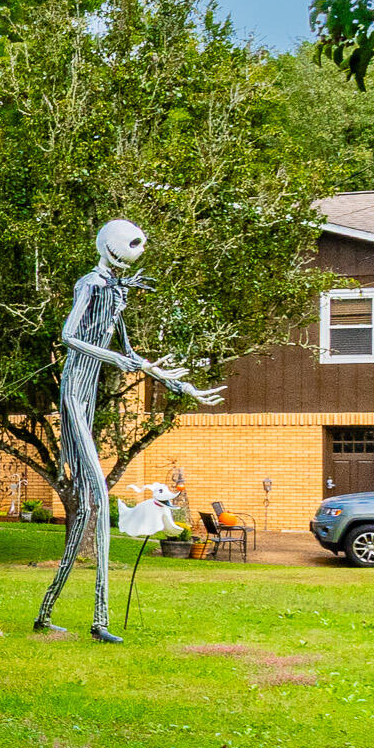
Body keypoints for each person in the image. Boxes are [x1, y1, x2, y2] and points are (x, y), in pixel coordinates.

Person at [35, 219, 222, 641]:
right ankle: (99, 621)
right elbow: (68, 335)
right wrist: (113, 359)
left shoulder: (117, 291)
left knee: (86, 509)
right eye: (131, 243)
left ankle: (45, 613)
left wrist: (180, 384)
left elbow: (131, 352)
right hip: (74, 395)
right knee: (98, 498)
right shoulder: (90, 284)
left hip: (90, 391)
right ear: (110, 245)